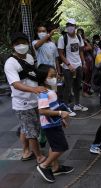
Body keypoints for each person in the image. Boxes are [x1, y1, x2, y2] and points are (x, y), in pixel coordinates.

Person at [4, 32, 46, 164]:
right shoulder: (10, 63)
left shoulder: (28, 57)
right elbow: (16, 84)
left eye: (23, 42)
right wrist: (34, 89)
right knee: (32, 131)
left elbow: (32, 75)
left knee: (26, 128)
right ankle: (38, 156)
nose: (21, 46)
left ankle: (26, 151)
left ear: (28, 43)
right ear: (12, 46)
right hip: (23, 103)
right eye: (17, 44)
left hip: (34, 99)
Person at [36, 64, 74, 183]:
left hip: (53, 123)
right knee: (61, 147)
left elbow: (54, 107)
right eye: (51, 76)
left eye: (55, 75)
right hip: (49, 125)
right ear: (43, 78)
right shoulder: (43, 93)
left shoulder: (49, 90)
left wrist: (60, 118)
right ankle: (44, 166)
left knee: (54, 146)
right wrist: (60, 113)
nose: (55, 77)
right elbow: (42, 110)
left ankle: (56, 167)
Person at [58, 18, 88, 116]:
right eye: (68, 25)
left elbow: (80, 51)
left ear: (75, 26)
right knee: (67, 87)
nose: (70, 27)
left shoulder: (79, 37)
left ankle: (77, 104)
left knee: (77, 86)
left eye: (72, 25)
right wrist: (68, 65)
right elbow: (61, 54)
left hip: (78, 65)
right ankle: (65, 107)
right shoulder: (63, 38)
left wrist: (83, 62)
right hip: (68, 68)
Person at [77, 28, 94, 97]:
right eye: (78, 33)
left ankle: (87, 90)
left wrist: (85, 41)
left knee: (89, 77)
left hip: (90, 61)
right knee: (86, 77)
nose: (80, 34)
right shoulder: (78, 43)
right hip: (84, 62)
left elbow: (91, 48)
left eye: (81, 33)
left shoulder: (84, 41)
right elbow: (89, 47)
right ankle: (84, 92)